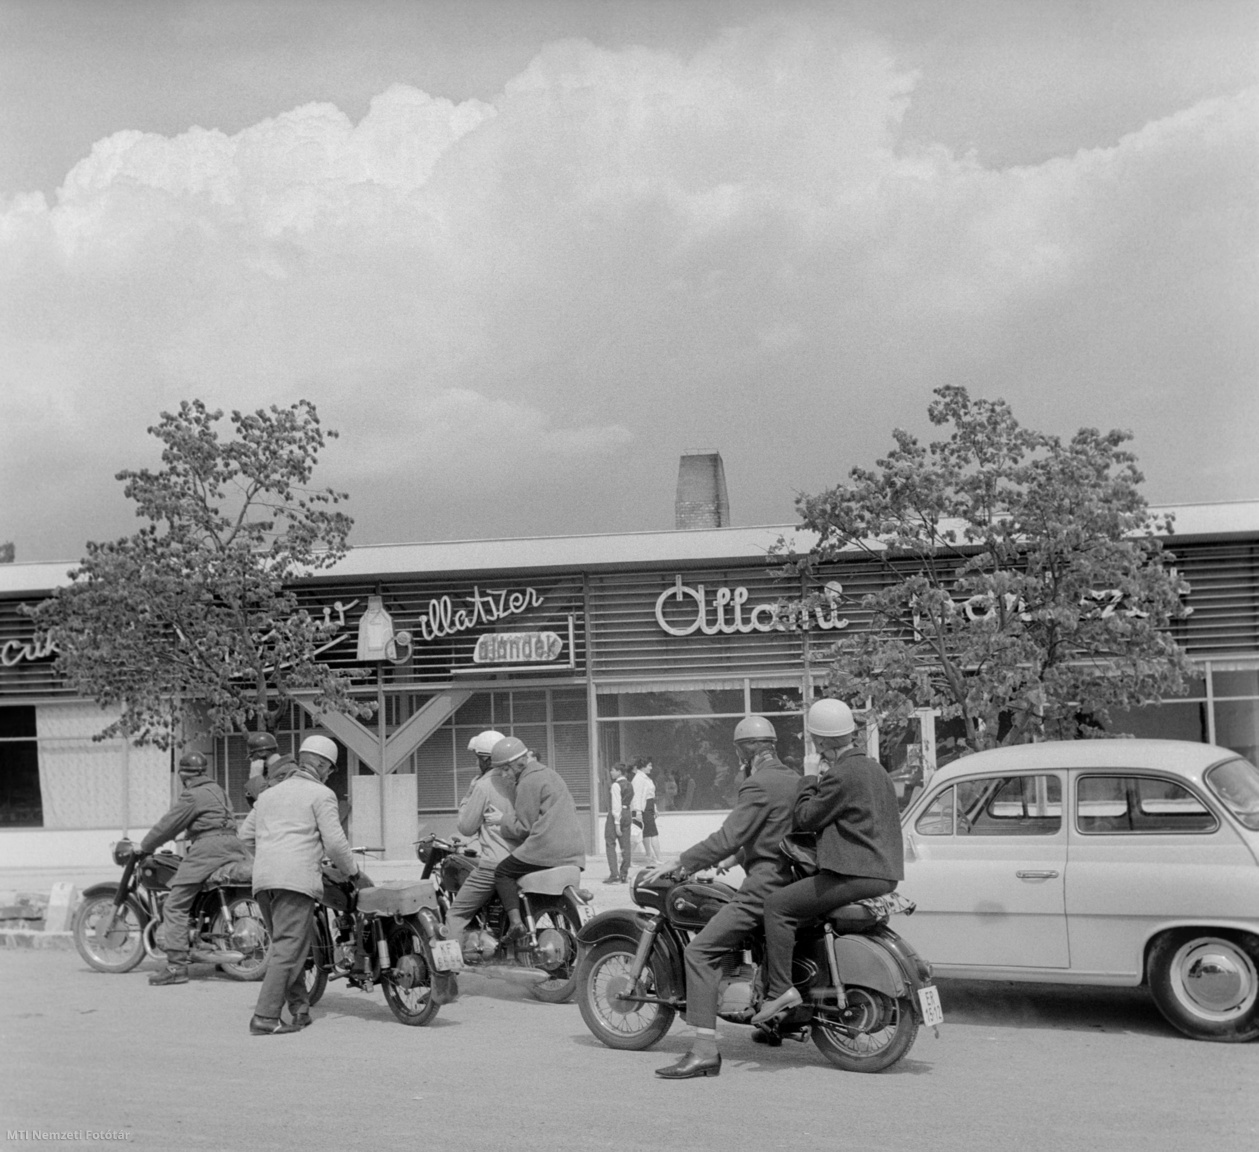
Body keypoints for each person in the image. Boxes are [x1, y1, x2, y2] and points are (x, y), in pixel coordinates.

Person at [654, 716, 797, 1079]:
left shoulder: (757, 784)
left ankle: (703, 1051)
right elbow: (775, 834)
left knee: (699, 952)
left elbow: (727, 836)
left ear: (743, 751)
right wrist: (737, 858)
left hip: (764, 887)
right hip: (790, 883)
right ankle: (772, 1023)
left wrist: (681, 862)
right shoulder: (793, 780)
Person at [751, 699, 904, 1025]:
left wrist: (808, 778)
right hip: (884, 873)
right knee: (803, 913)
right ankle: (791, 1017)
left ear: (820, 741)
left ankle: (779, 991)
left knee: (777, 906)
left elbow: (805, 817)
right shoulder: (876, 770)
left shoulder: (841, 775)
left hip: (856, 873)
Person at [238, 733, 366, 1035]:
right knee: (288, 948)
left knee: (290, 945)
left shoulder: (269, 794)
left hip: (264, 882)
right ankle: (265, 1018)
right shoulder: (320, 794)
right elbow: (335, 843)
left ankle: (300, 1009)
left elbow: (245, 835)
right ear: (321, 765)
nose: (329, 775)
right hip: (295, 880)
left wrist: (271, 855)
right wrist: (352, 871)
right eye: (331, 769)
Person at [141, 751, 254, 986]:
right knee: (207, 894)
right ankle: (213, 949)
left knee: (175, 904)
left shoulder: (192, 795)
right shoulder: (218, 790)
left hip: (209, 848)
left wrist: (145, 846)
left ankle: (176, 967)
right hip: (234, 844)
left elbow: (167, 826)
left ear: (184, 775)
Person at [491, 737, 586, 941]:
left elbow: (523, 828)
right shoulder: (549, 773)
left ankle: (516, 924)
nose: (504, 775)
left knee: (502, 872)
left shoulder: (527, 781)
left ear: (518, 764)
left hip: (547, 848)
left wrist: (502, 820)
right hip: (573, 850)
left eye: (506, 769)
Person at [445, 729, 513, 953]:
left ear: (485, 759)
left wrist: (468, 796)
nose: (476, 763)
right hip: (523, 859)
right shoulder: (515, 779)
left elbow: (466, 827)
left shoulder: (483, 785)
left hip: (495, 863)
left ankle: (448, 976)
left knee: (455, 914)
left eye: (477, 758)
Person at [243, 732, 297, 808]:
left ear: (261, 753)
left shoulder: (287, 771)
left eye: (252, 757)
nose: (251, 761)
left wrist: (255, 778)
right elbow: (256, 806)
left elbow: (267, 800)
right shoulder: (270, 772)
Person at [603, 762, 633, 884]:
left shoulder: (616, 785)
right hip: (627, 812)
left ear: (619, 772)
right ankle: (624, 874)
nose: (611, 772)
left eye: (613, 770)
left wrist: (616, 822)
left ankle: (614, 874)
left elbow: (616, 805)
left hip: (617, 814)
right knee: (626, 845)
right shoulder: (630, 785)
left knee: (610, 842)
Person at [638, 759, 662, 865]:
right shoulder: (639, 779)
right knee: (652, 832)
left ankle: (650, 855)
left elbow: (651, 794)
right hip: (644, 807)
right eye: (649, 765)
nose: (651, 768)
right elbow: (637, 797)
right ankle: (657, 857)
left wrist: (655, 807)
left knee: (648, 832)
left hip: (650, 805)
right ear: (643, 766)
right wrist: (638, 812)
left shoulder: (647, 778)